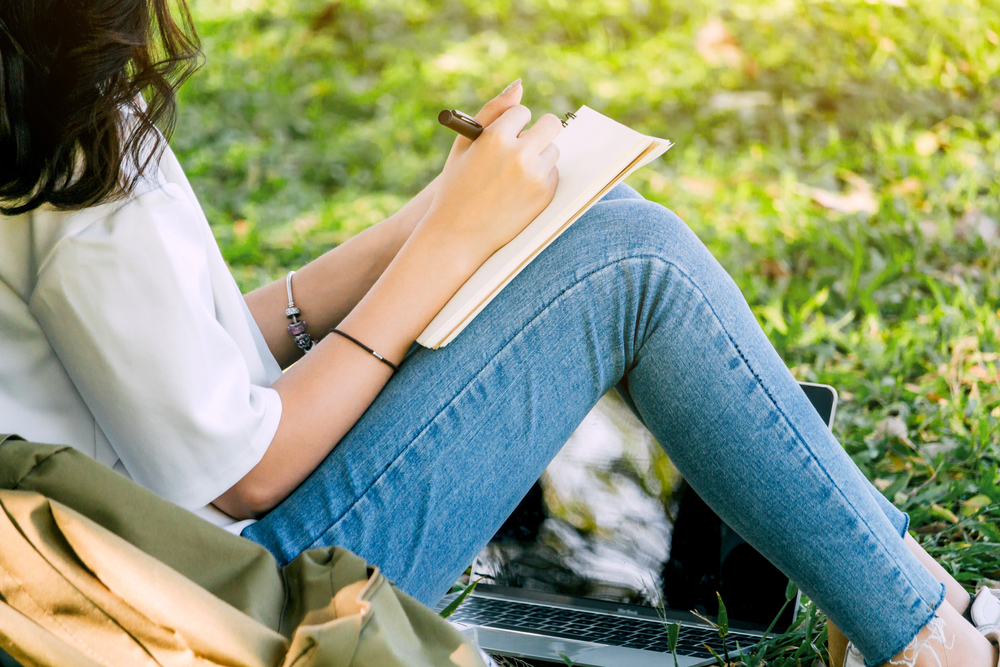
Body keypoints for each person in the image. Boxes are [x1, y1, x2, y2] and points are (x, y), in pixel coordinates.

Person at [0, 2, 996, 666]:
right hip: (223, 593)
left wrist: (429, 222)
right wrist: (445, 243)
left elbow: (185, 369)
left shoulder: (32, 107)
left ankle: (918, 601)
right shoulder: (68, 157)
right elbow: (246, 470)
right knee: (628, 260)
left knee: (612, 239)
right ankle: (934, 636)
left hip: (132, 563)